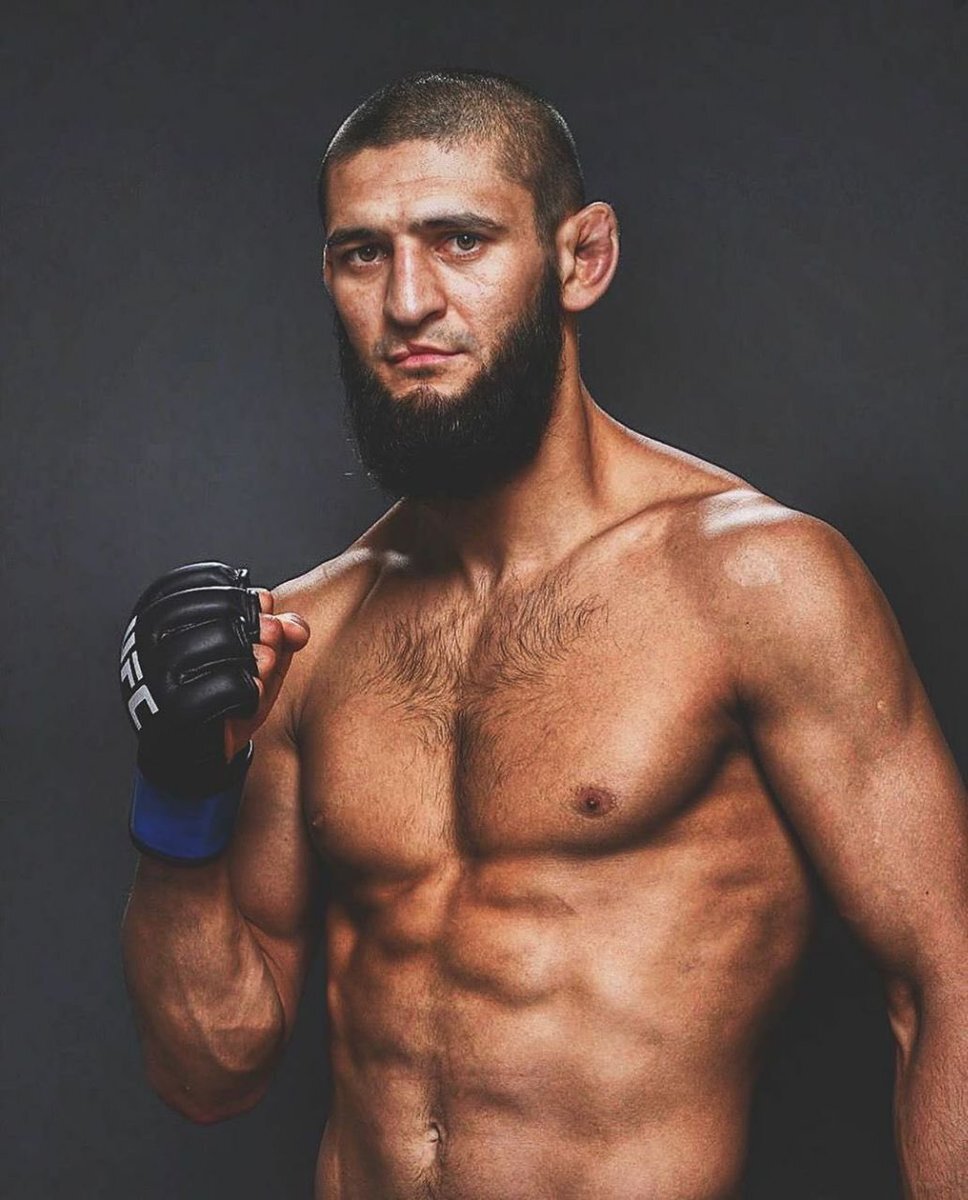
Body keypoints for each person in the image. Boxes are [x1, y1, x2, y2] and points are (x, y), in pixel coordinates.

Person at [120, 70, 967, 1200]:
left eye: (460, 241)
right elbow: (210, 1074)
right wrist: (179, 799)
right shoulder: (311, 634)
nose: (407, 300)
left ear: (581, 258)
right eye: (362, 253)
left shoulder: (752, 583)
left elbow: (946, 983)